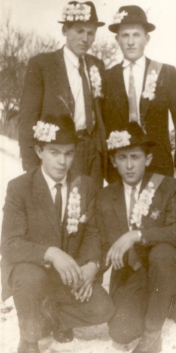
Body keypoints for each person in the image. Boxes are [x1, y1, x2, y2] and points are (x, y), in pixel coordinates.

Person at [1, 114, 114, 353]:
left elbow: (93, 234)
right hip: (33, 270)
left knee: (104, 308)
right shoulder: (20, 188)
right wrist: (50, 252)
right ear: (40, 151)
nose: (62, 161)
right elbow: (10, 244)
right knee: (29, 277)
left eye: (69, 153)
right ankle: (30, 337)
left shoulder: (85, 186)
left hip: (68, 275)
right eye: (54, 152)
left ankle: (54, 316)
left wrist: (92, 265)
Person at [97, 122, 176, 353]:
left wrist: (137, 235)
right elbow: (99, 241)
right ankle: (159, 303)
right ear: (113, 161)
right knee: (121, 332)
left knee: (161, 254)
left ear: (147, 159)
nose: (129, 165)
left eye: (135, 157)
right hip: (133, 273)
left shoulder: (169, 187)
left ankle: (152, 335)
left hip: (167, 265)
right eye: (122, 157)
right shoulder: (105, 196)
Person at [103, 5, 176, 188]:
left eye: (136, 35)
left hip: (160, 168)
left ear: (147, 38)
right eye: (125, 35)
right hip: (120, 171)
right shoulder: (107, 77)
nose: (130, 42)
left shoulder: (166, 73)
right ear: (117, 39)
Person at [18, 1, 107, 188]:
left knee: (92, 208)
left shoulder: (96, 65)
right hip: (61, 152)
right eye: (79, 31)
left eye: (91, 33)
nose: (85, 38)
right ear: (65, 30)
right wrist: (31, 167)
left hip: (93, 153)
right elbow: (27, 119)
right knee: (63, 209)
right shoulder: (42, 65)